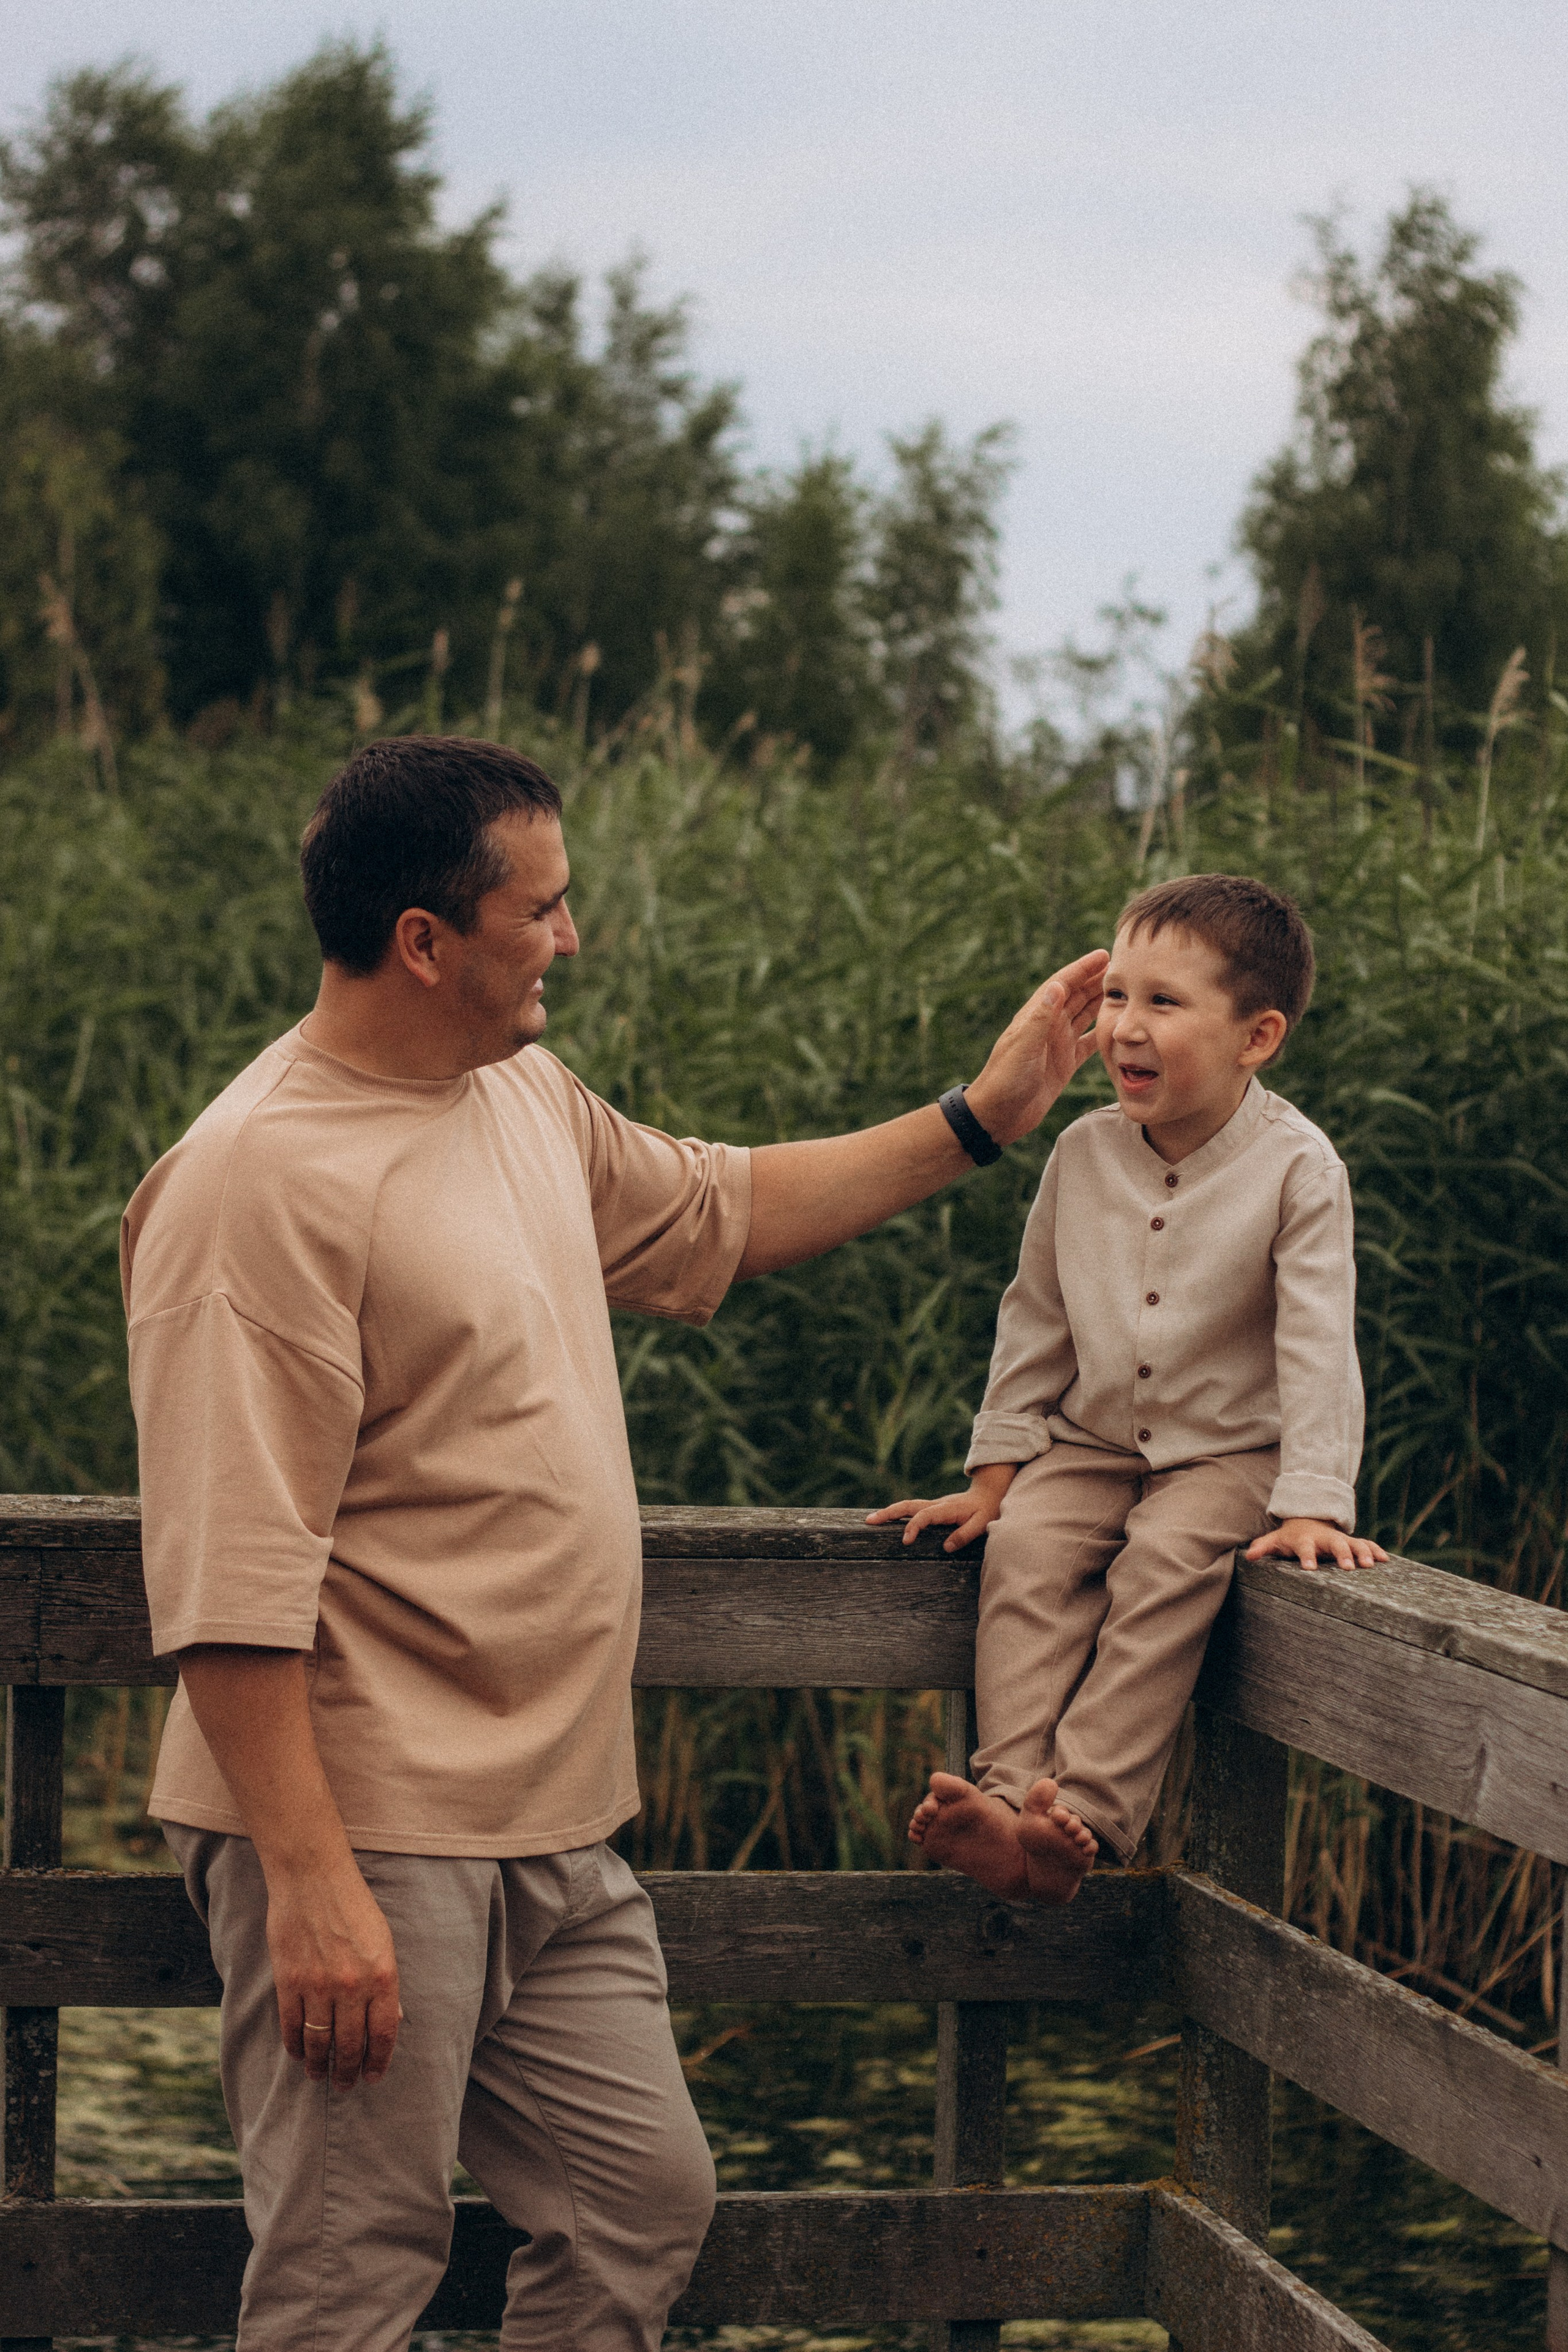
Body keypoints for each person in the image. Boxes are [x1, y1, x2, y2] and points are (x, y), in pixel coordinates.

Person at [120, 734, 1109, 2352]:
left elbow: (724, 1209)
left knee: (635, 2205)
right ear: (424, 940)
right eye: (540, 910)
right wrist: (310, 1883)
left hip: (556, 1819)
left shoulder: (516, 1092)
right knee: (348, 2275)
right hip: (371, 1826)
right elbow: (228, 1580)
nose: (570, 939)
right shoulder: (256, 1183)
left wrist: (981, 1118)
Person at [869, 873, 1387, 1905]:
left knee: (1164, 1568)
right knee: (1026, 1552)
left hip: (1227, 1456)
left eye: (1164, 1002)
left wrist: (1314, 1504)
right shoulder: (1081, 1151)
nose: (1125, 1027)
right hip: (1090, 1442)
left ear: (1258, 1037)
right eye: (1116, 997)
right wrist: (994, 1476)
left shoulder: (1298, 1168)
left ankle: (1085, 1816)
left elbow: (1319, 1343)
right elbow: (1036, 1316)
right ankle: (1006, 1801)